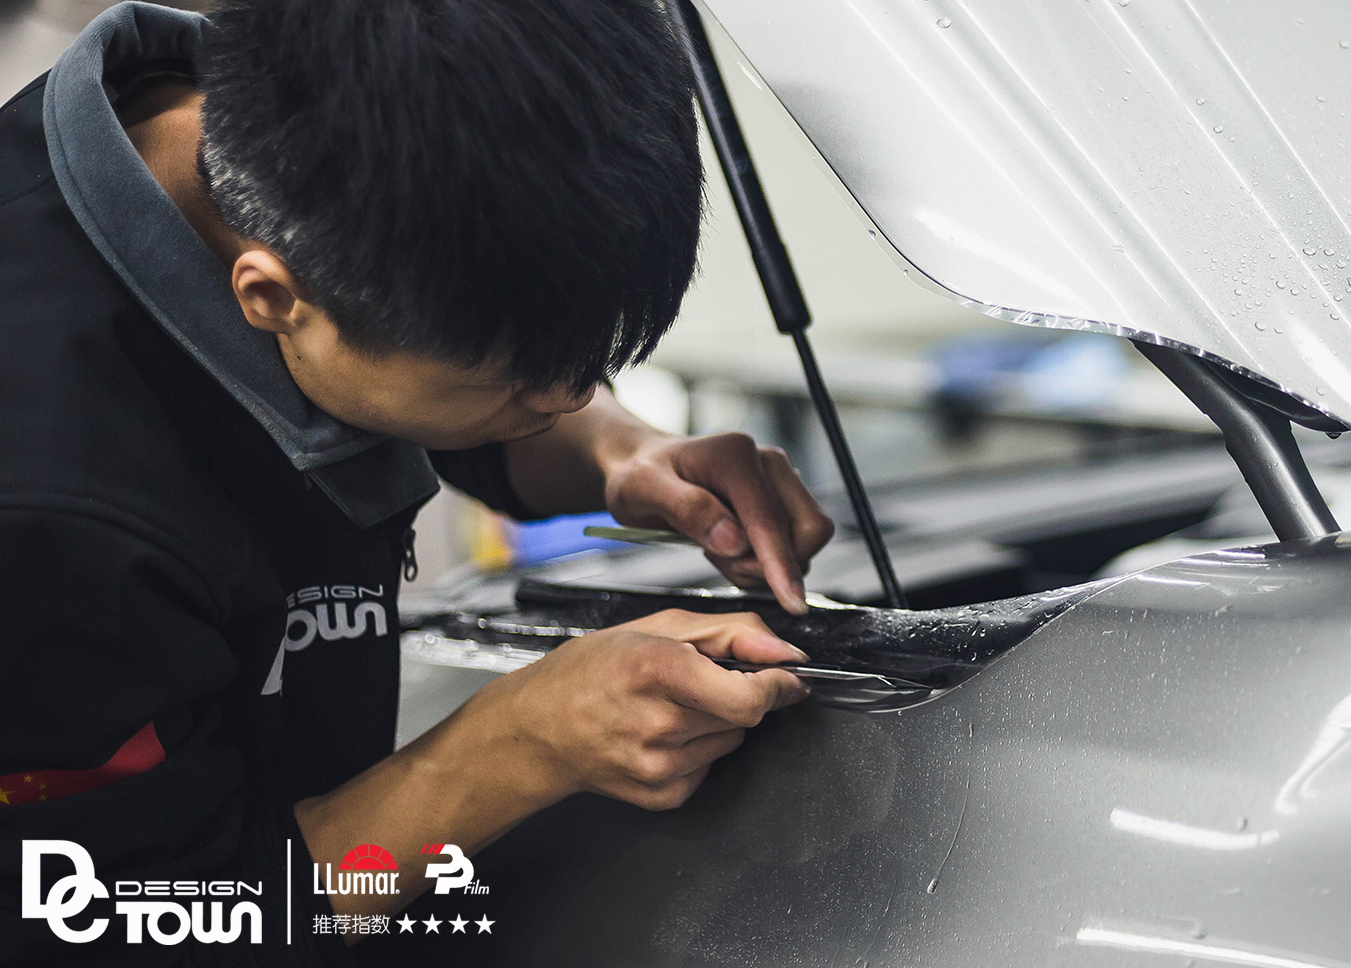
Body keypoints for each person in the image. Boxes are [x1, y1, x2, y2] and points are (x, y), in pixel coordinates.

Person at [0, 1, 834, 961]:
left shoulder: (297, 133)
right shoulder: (48, 515)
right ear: (271, 299)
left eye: (580, 365)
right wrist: (518, 747)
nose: (567, 397)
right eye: (513, 380)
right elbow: (147, 923)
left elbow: (403, 355)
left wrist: (618, 451)